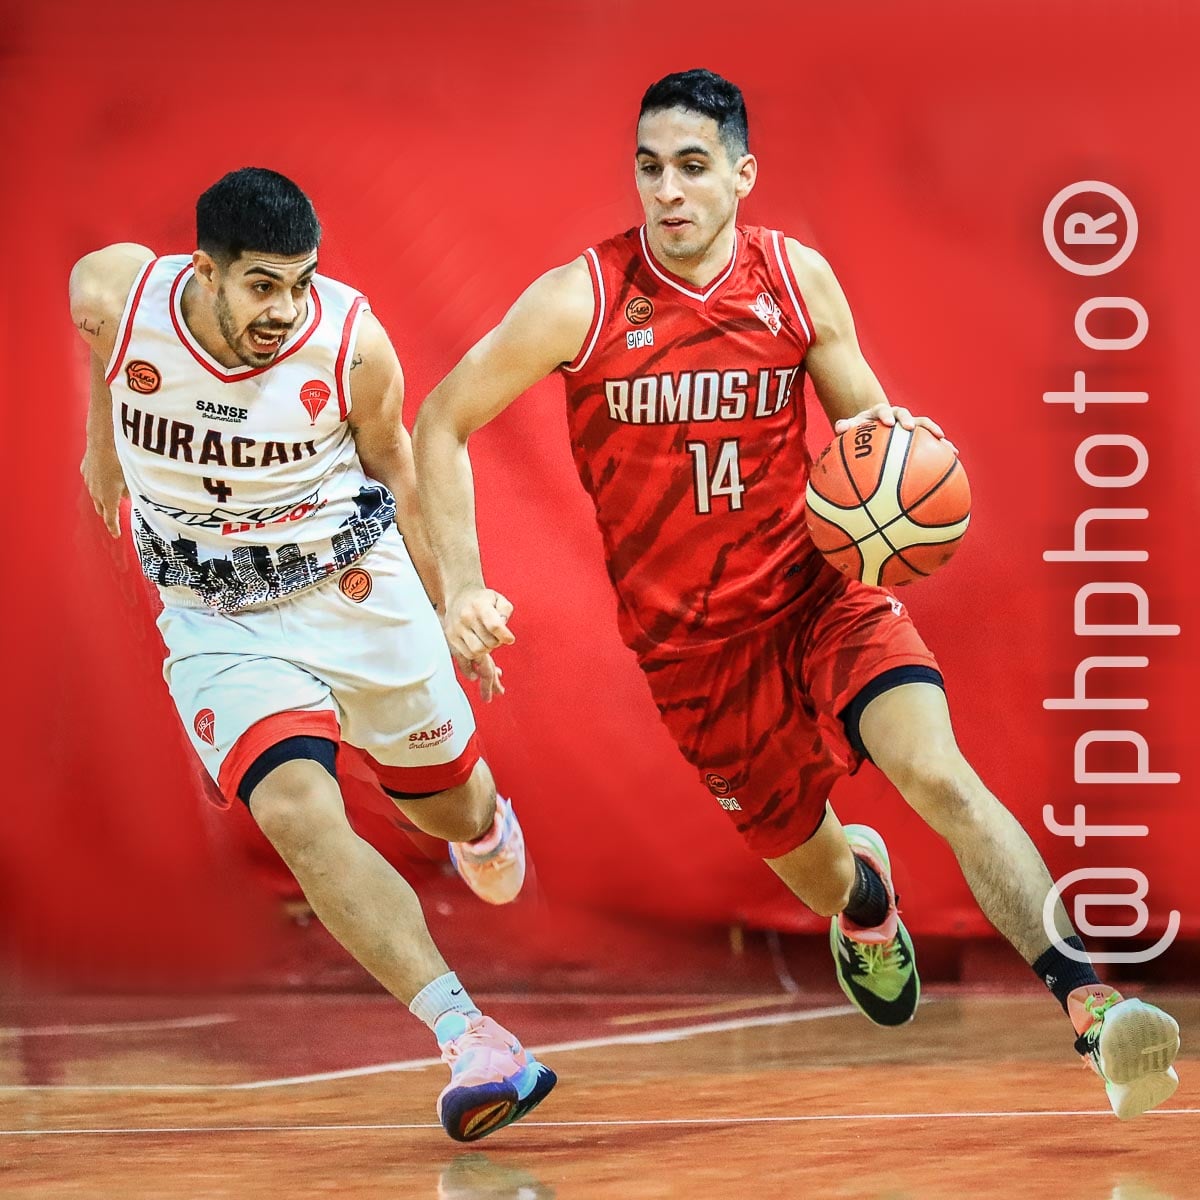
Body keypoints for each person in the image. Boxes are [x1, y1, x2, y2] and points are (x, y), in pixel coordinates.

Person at [412, 70, 1180, 1119]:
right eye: (649, 168)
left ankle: (1092, 1005)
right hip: (694, 654)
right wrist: (461, 588)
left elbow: (875, 437)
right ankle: (864, 906)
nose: (667, 191)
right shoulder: (581, 300)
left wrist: (910, 495)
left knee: (939, 774)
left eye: (691, 166)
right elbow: (443, 419)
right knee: (824, 874)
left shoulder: (794, 279)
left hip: (818, 594)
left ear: (741, 173)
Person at [69, 167, 555, 1142]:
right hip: (218, 620)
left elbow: (402, 473)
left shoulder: (350, 344)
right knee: (294, 809)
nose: (285, 309)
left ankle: (480, 820)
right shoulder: (115, 296)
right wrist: (105, 446)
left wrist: (452, 598)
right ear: (202, 271)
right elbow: (106, 351)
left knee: (447, 805)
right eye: (261, 285)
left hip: (356, 591)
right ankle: (472, 1039)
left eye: (300, 281)